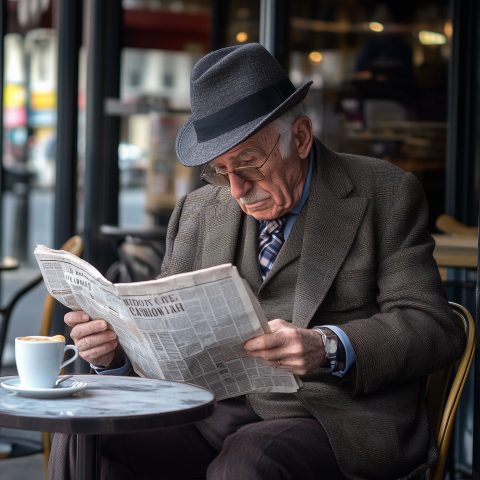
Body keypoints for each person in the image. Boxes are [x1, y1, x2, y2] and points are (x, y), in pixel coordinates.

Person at [49, 44, 465, 480]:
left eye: (248, 164)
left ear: (300, 138)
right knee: (83, 430)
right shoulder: (196, 211)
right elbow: (160, 350)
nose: (236, 190)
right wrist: (114, 356)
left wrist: (326, 345)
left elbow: (433, 326)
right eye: (220, 170)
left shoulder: (385, 193)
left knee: (250, 460)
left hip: (332, 422)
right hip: (208, 415)